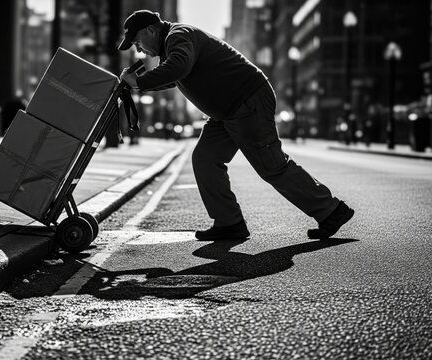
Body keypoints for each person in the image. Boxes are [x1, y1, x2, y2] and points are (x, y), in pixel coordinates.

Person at [118, 10, 354, 241]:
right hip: (226, 111)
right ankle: (229, 223)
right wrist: (139, 84)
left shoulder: (178, 36)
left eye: (137, 42)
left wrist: (139, 81)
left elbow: (178, 68)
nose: (138, 49)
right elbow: (176, 75)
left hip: (246, 101)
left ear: (151, 30)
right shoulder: (173, 43)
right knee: (205, 159)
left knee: (272, 165)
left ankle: (332, 211)